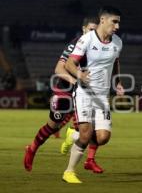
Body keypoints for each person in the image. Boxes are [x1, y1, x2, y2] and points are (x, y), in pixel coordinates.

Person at [23, 17, 104, 173]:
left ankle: (90, 159)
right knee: (53, 126)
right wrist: (75, 82)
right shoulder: (75, 45)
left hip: (86, 92)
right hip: (65, 90)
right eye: (90, 29)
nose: (93, 33)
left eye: (96, 30)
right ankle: (32, 148)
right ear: (83, 29)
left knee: (93, 125)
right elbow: (59, 69)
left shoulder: (99, 46)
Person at [62, 6, 124, 183]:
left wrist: (118, 81)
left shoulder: (118, 42)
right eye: (115, 21)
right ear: (103, 20)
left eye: (119, 22)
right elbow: (69, 64)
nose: (117, 26)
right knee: (86, 133)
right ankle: (69, 172)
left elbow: (115, 62)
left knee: (103, 138)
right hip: (84, 93)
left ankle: (72, 136)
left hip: (102, 96)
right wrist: (80, 74)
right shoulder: (86, 40)